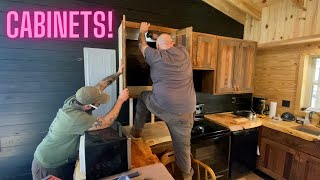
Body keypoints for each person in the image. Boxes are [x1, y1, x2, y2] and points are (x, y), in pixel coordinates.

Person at [32, 65, 129, 180]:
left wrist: (118, 73)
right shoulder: (76, 118)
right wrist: (120, 100)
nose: (100, 103)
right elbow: (107, 121)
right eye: (99, 102)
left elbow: (100, 85)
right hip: (49, 165)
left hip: (60, 160)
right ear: (88, 106)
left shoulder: (77, 99)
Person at [130, 22, 196, 180]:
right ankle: (187, 177)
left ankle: (136, 133)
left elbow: (141, 45)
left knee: (143, 97)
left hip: (162, 107)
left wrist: (142, 32)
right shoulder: (183, 51)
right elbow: (168, 42)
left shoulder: (155, 56)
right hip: (186, 113)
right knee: (183, 151)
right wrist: (155, 36)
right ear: (172, 44)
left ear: (158, 47)